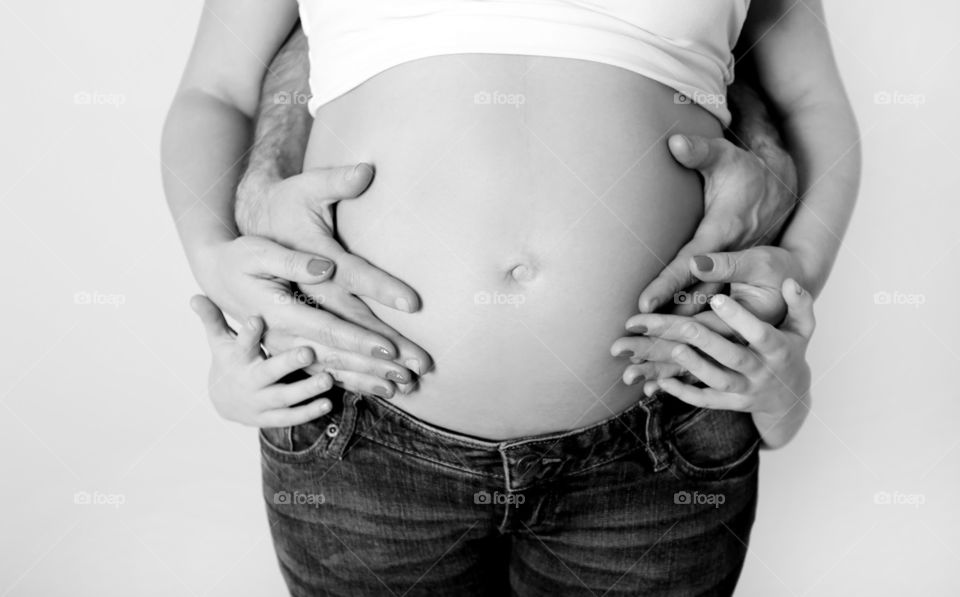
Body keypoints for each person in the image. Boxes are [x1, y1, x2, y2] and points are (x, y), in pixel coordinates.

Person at [162, 1, 860, 594]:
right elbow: (217, 90)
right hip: (357, 425)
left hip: (664, 428)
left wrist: (793, 282)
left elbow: (810, 101)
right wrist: (218, 262)